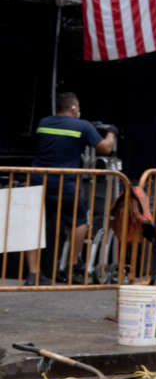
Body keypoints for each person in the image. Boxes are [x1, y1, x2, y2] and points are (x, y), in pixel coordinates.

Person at [28, 92, 116, 284]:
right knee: (79, 221)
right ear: (74, 108)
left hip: (37, 180)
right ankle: (73, 265)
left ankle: (33, 274)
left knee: (34, 226)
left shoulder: (44, 122)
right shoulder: (82, 125)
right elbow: (106, 148)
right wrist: (111, 132)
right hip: (64, 182)